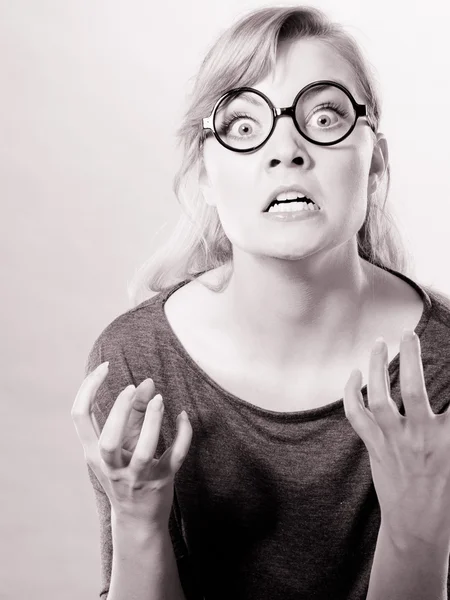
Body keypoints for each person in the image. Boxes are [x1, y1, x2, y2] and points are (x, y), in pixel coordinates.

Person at [71, 6, 450, 600]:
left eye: (324, 116)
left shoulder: (443, 368)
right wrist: (138, 522)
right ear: (205, 176)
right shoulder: (138, 362)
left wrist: (418, 532)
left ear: (374, 162)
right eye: (244, 127)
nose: (287, 150)